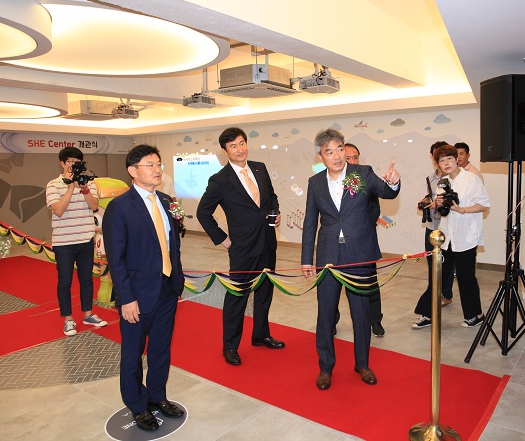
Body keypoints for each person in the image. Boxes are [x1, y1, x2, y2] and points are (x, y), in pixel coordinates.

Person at [301, 128, 401, 391]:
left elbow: (387, 192)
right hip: (328, 256)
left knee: (361, 313)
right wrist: (306, 259)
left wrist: (392, 182)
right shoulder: (315, 182)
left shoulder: (362, 173)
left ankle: (362, 364)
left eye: (339, 149)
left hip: (359, 254)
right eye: (329, 152)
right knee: (325, 314)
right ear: (321, 156)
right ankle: (325, 368)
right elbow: (310, 222)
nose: (336, 156)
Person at [103, 145, 186, 432]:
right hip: (136, 294)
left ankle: (157, 396)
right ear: (132, 171)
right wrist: (126, 298)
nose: (157, 169)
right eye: (150, 165)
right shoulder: (120, 207)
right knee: (133, 353)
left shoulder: (166, 201)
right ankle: (138, 405)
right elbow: (116, 258)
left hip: (167, 288)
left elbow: (172, 243)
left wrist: (177, 279)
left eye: (159, 164)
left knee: (161, 348)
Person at [196, 127, 284, 367]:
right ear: (225, 151)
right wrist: (223, 239)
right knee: (237, 297)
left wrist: (275, 213)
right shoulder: (220, 179)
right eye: (233, 146)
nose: (239, 149)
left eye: (242, 143)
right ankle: (230, 346)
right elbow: (203, 213)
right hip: (242, 248)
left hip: (267, 242)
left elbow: (271, 197)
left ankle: (261, 335)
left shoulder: (259, 168)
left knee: (265, 292)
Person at [413, 144, 490, 329]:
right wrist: (438, 204)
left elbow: (484, 205)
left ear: (457, 159)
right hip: (446, 237)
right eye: (442, 161)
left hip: (466, 236)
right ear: (437, 164)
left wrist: (461, 209)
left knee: (466, 278)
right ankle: (428, 314)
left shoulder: (471, 179)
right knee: (437, 276)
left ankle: (475, 315)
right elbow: (444, 211)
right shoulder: (442, 182)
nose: (446, 163)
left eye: (449, 159)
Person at [46, 148, 107, 336]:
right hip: (63, 242)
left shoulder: (89, 183)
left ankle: (88, 314)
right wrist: (71, 188)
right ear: (62, 163)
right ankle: (68, 319)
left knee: (86, 279)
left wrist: (84, 188)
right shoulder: (53, 185)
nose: (74, 165)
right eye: (70, 162)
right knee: (65, 282)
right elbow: (58, 210)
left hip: (86, 239)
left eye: (77, 162)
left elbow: (94, 206)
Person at [332, 143, 385, 337]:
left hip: (363, 242)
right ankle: (331, 321)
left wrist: (360, 229)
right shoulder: (330, 180)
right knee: (333, 286)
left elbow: (374, 208)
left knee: (370, 283)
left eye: (356, 157)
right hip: (337, 245)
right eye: (349, 158)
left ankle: (375, 320)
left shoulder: (365, 177)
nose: (353, 161)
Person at [419, 142, 455, 313]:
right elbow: (430, 196)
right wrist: (426, 202)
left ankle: (446, 294)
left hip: (447, 225)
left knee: (447, 262)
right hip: (432, 225)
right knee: (432, 262)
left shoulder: (453, 177)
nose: (441, 161)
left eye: (445, 157)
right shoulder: (430, 178)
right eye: (437, 157)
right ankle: (434, 293)